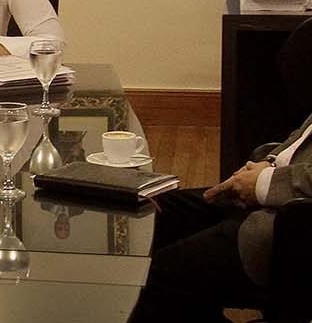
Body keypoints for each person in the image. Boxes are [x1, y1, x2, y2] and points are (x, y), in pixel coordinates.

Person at [131, 113, 312, 322]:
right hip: (275, 197)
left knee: (154, 276)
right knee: (155, 210)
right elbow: (302, 138)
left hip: (291, 231)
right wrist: (268, 163)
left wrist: (262, 182)